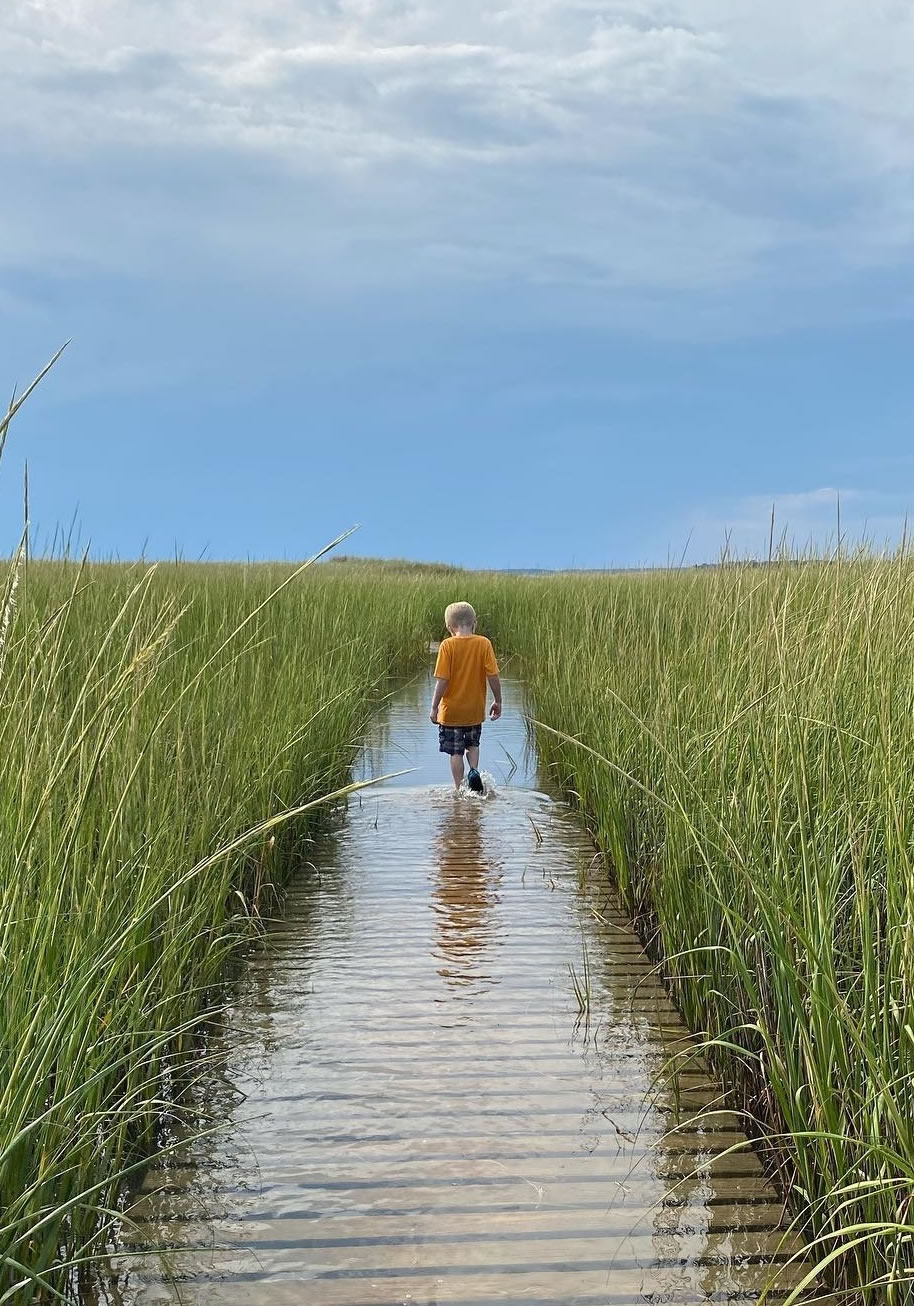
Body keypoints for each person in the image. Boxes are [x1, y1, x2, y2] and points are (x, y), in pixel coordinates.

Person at [429, 602, 501, 792]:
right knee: (472, 745)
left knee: (455, 752)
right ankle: (474, 771)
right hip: (474, 710)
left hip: (451, 712)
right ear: (474, 623)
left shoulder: (447, 645)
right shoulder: (484, 643)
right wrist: (498, 700)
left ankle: (459, 789)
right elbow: (493, 676)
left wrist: (434, 706)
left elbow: (442, 680)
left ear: (449, 627)